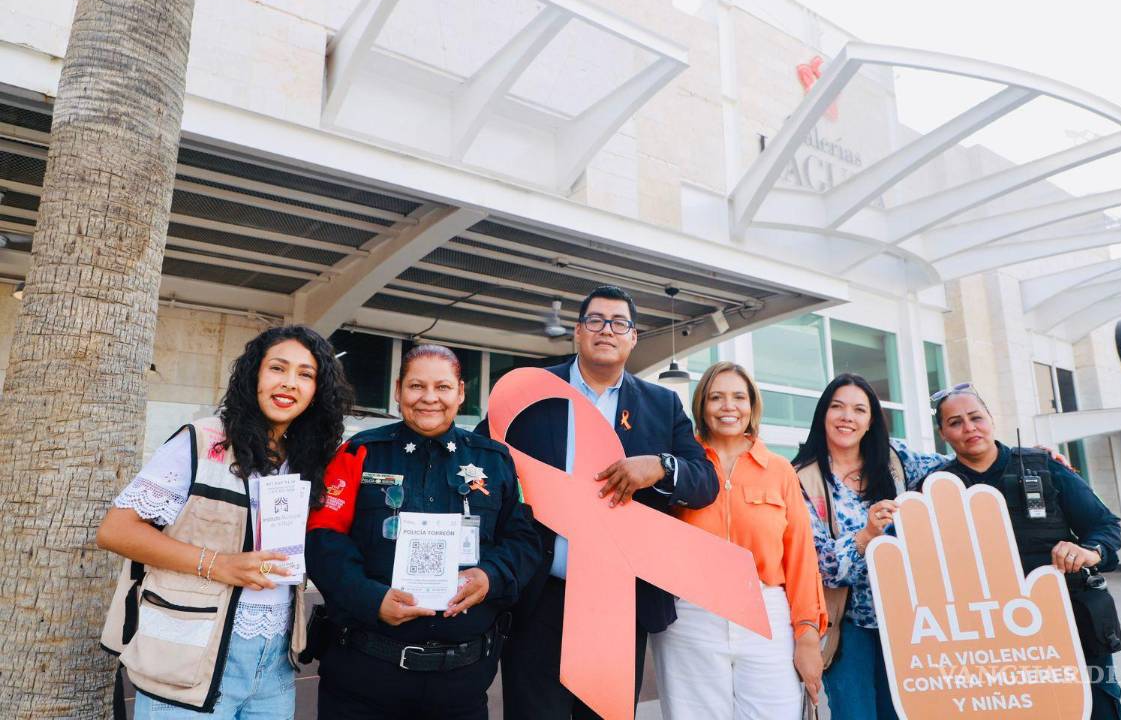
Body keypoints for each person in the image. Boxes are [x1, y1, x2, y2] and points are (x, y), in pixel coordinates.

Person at [480, 284, 720, 719]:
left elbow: (705, 482)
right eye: (595, 320)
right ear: (577, 331)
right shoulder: (533, 389)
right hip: (540, 596)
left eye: (619, 323)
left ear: (633, 337)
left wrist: (661, 466)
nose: (606, 330)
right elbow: (481, 461)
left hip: (619, 600)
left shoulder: (662, 404)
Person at [97, 325, 353, 717]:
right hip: (189, 659)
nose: (289, 382)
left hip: (275, 665)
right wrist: (219, 565)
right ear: (254, 376)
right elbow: (116, 531)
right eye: (278, 368)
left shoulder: (305, 460)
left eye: (305, 374)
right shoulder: (202, 440)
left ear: (318, 391)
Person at [306, 344, 540, 720]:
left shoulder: (495, 461)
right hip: (363, 679)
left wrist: (490, 577)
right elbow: (323, 540)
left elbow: (524, 541)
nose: (429, 398)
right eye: (417, 386)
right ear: (398, 390)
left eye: (442, 387)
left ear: (460, 393)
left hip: (460, 687)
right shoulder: (358, 452)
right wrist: (371, 599)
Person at [930, 384, 1121, 719]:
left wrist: (1089, 551)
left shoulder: (1045, 467)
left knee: (1095, 708)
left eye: (976, 417)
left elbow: (1104, 525)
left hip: (1069, 617)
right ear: (943, 434)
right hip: (991, 635)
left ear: (991, 419)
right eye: (955, 422)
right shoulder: (936, 487)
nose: (969, 428)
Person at [651, 361, 827, 719]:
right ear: (701, 406)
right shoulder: (681, 466)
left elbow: (801, 557)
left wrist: (807, 633)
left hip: (767, 614)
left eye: (738, 397)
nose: (728, 406)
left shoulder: (779, 470)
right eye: (716, 397)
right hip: (692, 616)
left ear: (752, 405)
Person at [792, 372, 951, 720]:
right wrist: (866, 535)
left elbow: (958, 467)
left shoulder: (895, 459)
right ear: (823, 414)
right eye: (837, 407)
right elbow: (821, 567)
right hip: (847, 627)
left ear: (871, 421)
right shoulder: (802, 479)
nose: (847, 417)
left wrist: (1031, 458)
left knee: (906, 713)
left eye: (859, 410)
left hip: (909, 620)